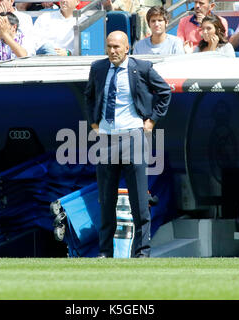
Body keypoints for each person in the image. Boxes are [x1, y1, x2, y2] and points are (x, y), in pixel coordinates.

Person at [84, 31, 171, 258]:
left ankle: (141, 252)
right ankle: (105, 252)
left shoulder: (141, 68)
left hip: (133, 137)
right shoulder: (98, 68)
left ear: (127, 48)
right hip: (106, 139)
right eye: (109, 46)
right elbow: (89, 96)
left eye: (116, 47)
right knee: (106, 200)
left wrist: (151, 120)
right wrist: (94, 123)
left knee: (139, 201)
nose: (112, 51)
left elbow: (164, 92)